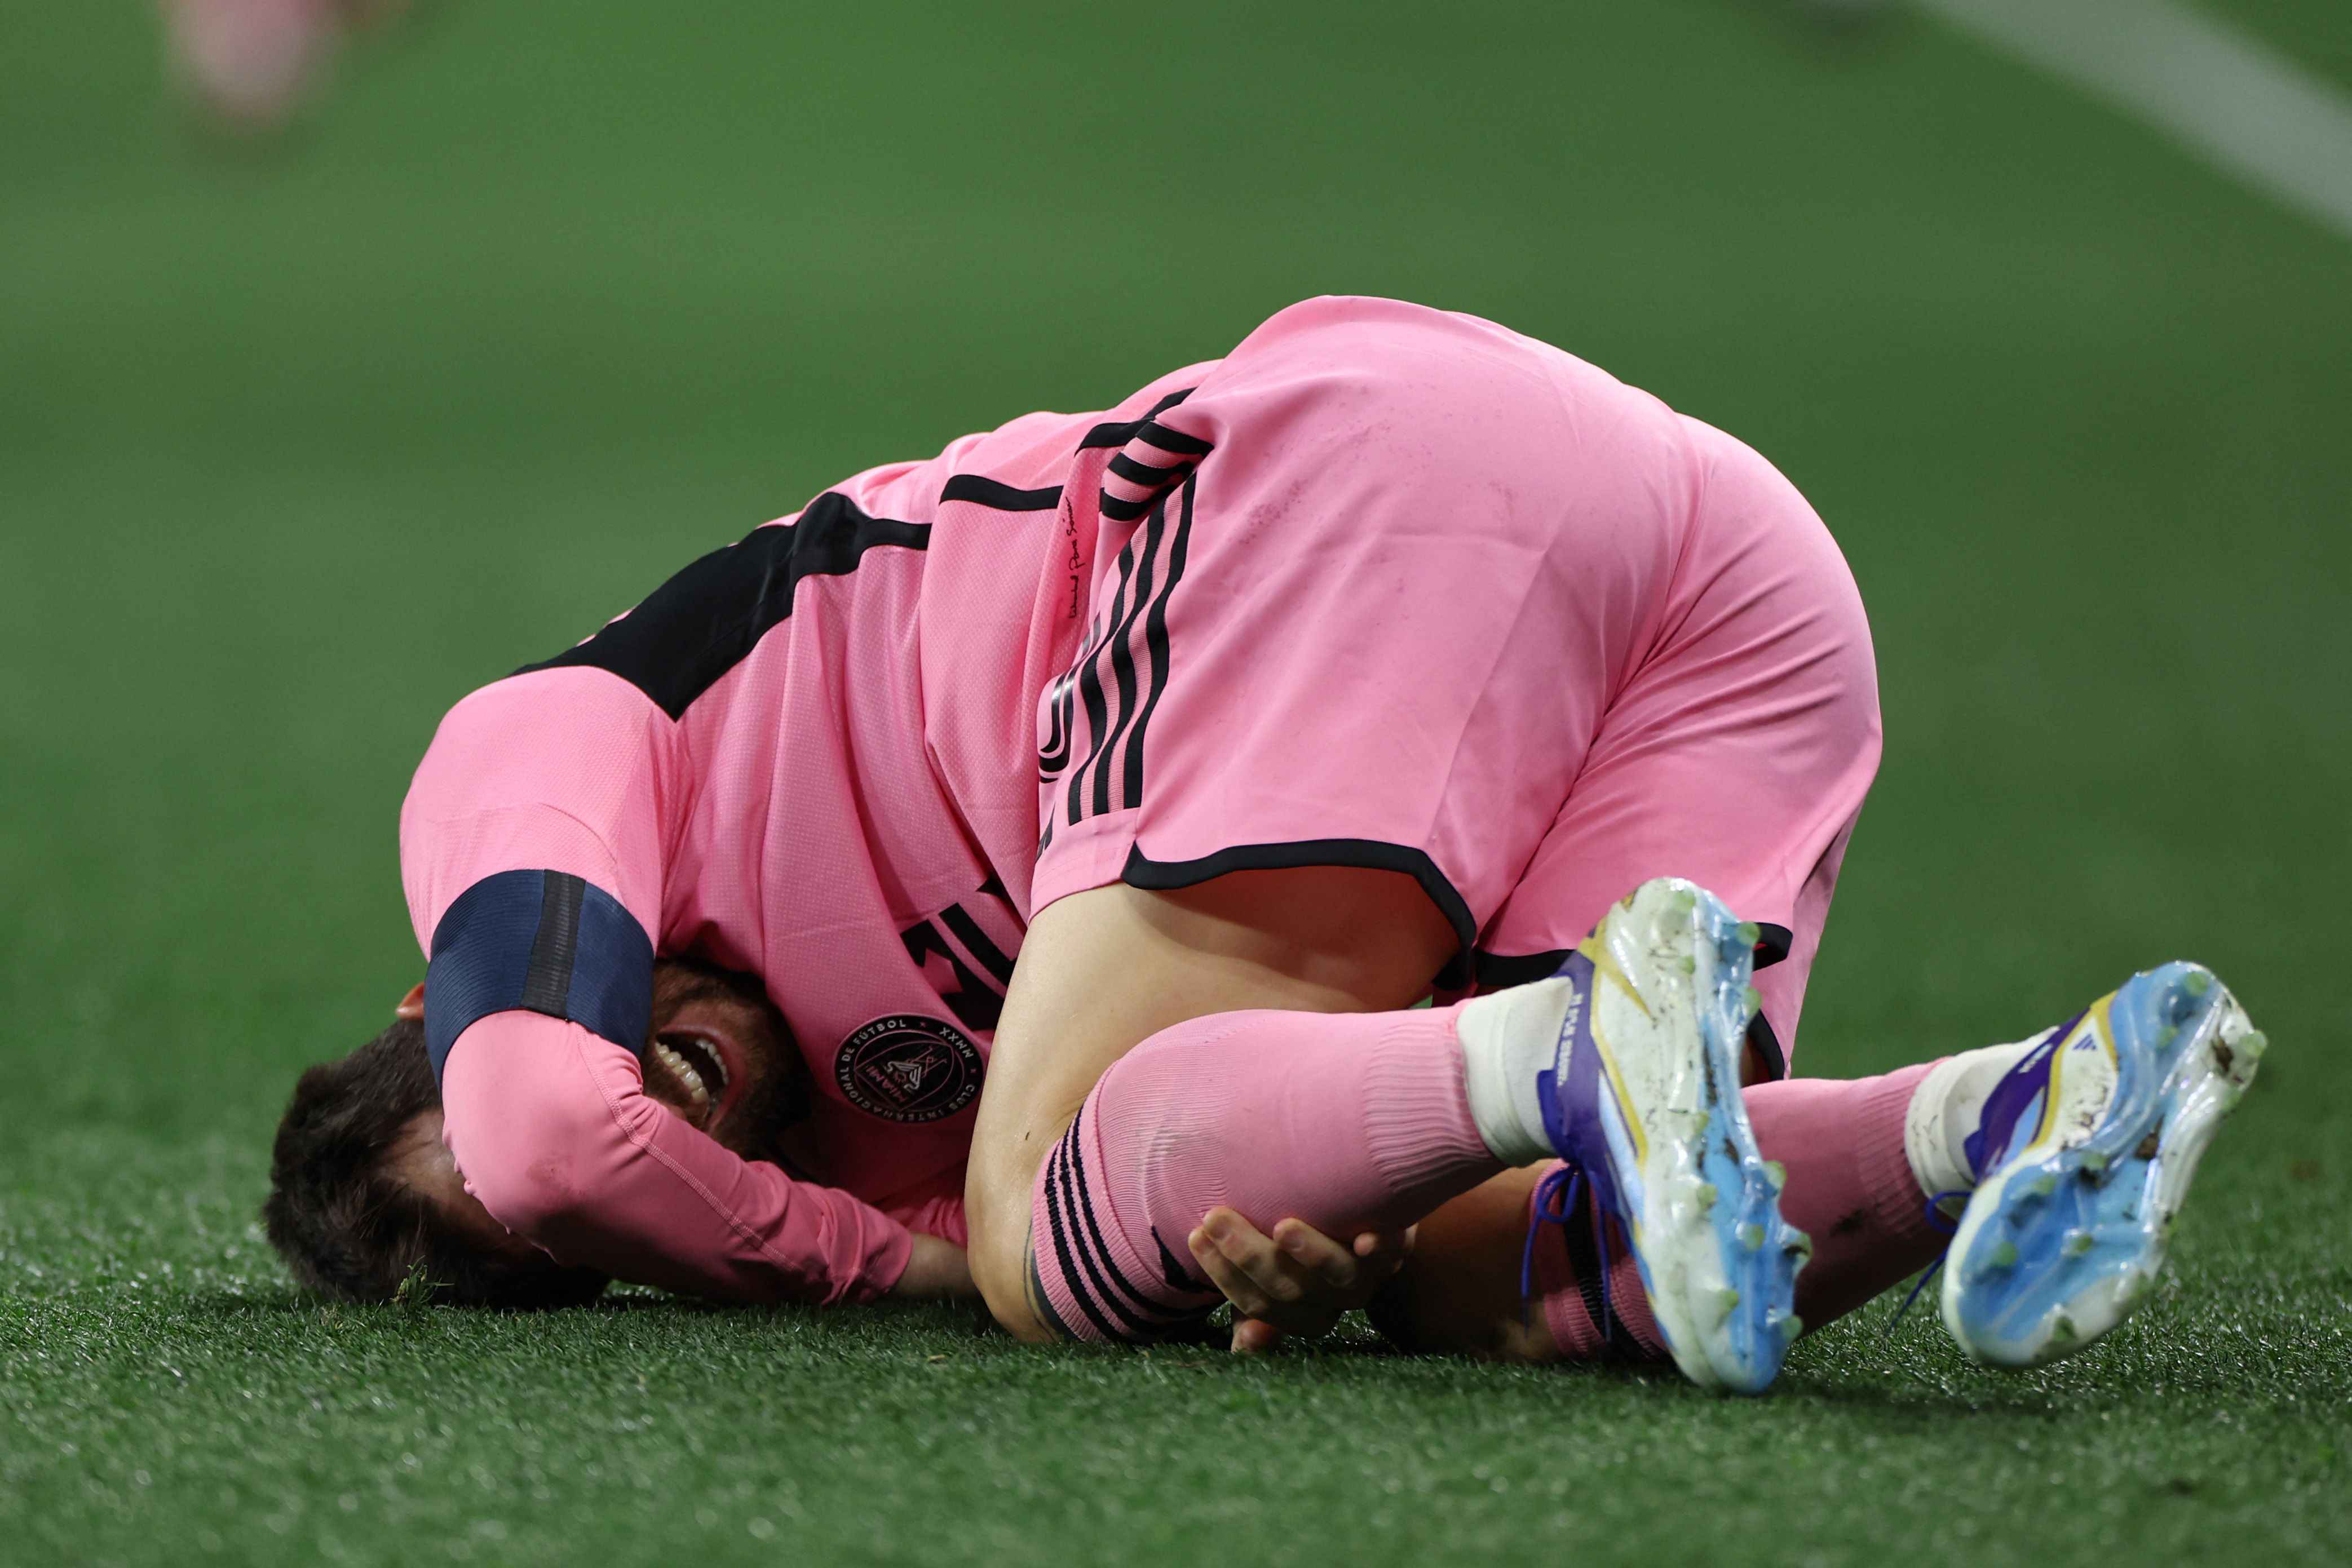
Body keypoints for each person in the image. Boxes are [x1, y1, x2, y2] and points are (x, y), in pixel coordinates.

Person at [330, 295, 2258, 1388]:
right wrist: (1298, 1247)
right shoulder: (860, 1145)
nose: (649, 1141)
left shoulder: (547, 747)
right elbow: (1262, 1179)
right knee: (1509, 1267)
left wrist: (903, 1273)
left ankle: (1585, 1046)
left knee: (1033, 1237)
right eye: (584, 1250)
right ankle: (2007, 1115)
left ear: (467, 984)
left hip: (1368, 489)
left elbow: (546, 1130)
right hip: (1741, 611)